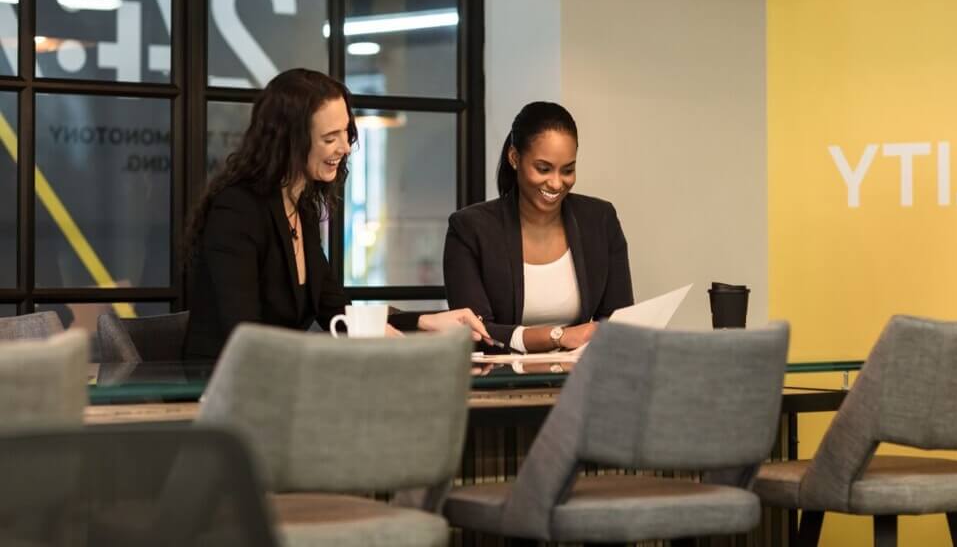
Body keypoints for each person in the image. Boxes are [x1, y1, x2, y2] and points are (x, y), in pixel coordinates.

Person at [183, 68, 489, 359]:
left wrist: (424, 321)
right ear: (289, 141)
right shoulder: (236, 209)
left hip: (279, 376)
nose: (345, 147)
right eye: (330, 138)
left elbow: (336, 311)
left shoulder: (301, 208)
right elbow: (245, 333)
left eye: (346, 132)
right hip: (220, 382)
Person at [443, 101, 634, 354]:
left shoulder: (600, 220)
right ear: (515, 158)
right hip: (501, 374)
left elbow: (616, 320)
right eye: (543, 169)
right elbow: (477, 332)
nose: (556, 183)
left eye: (568, 170)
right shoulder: (470, 228)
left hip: (579, 372)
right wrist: (559, 336)